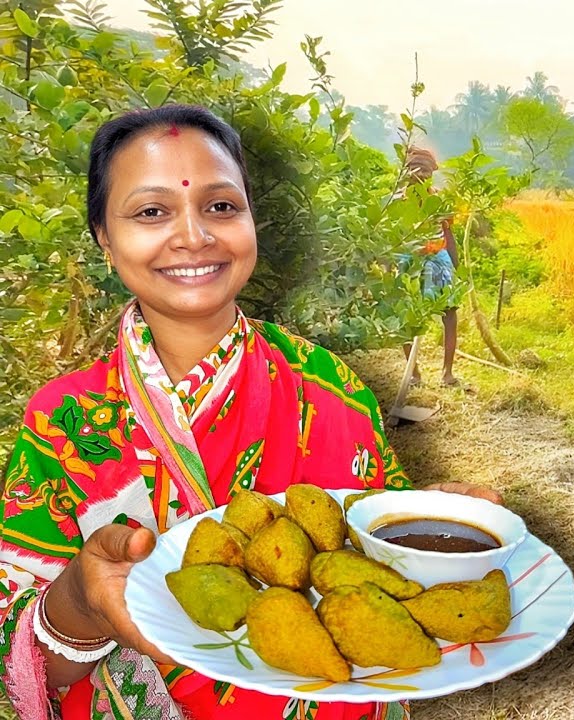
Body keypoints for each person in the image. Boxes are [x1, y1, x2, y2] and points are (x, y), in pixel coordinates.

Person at [0, 104, 501, 719]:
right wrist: (79, 597)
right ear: (104, 237)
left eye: (220, 206)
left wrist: (427, 526)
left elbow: (369, 561)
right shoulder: (66, 421)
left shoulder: (331, 385)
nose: (194, 235)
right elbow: (28, 663)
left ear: (250, 220)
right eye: (151, 211)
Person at [395, 147, 463, 389]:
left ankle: (447, 373)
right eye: (417, 171)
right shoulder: (396, 201)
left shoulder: (439, 200)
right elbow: (389, 238)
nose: (422, 177)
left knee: (450, 312)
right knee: (406, 315)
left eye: (426, 173)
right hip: (409, 260)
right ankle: (413, 373)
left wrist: (455, 266)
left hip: (438, 258)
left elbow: (448, 232)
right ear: (406, 173)